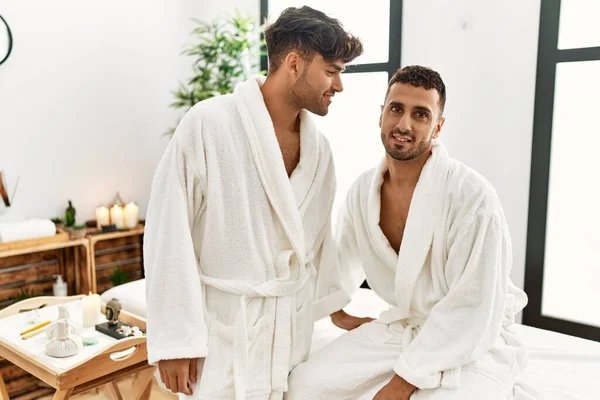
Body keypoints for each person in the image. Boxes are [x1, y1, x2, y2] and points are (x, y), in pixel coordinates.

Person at [143, 6, 364, 400]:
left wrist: (336, 308)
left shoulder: (321, 151)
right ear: (295, 64)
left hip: (290, 334)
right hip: (225, 334)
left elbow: (317, 241)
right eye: (332, 71)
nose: (339, 86)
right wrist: (177, 341)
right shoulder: (208, 124)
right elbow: (167, 232)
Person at [286, 65, 529, 400]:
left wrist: (402, 383)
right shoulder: (363, 191)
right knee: (304, 385)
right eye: (396, 109)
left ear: (438, 126)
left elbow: (474, 305)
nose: (404, 124)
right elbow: (342, 258)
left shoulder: (472, 197)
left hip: (471, 337)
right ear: (381, 114)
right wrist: (337, 310)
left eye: (421, 114)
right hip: (406, 327)